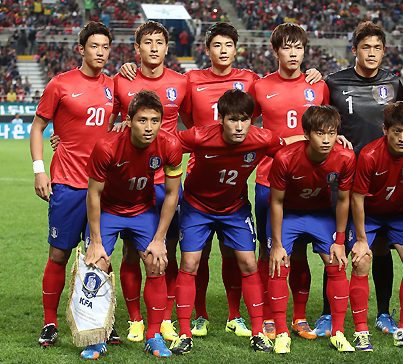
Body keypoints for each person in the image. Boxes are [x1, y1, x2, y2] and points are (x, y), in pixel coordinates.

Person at [120, 21, 321, 338]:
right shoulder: (191, 80)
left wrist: (313, 75)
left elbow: (272, 106)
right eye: (217, 45)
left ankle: (234, 315)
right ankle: (197, 315)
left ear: (236, 49)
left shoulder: (251, 81)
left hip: (236, 186)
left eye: (229, 45)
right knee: (192, 255)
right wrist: (130, 69)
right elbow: (180, 119)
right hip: (199, 177)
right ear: (207, 49)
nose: (223, 51)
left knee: (235, 254)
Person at [170, 89, 289, 354]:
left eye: (244, 119)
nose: (239, 126)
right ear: (220, 118)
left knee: (248, 262)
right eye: (232, 119)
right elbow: (165, 141)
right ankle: (185, 332)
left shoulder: (261, 138)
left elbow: (293, 147)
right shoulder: (200, 136)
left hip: (234, 208)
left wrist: (330, 139)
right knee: (190, 262)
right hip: (197, 206)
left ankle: (258, 333)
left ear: (252, 120)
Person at [314, 20, 403, 338]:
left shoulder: (394, 84)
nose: (371, 53)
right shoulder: (334, 82)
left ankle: (383, 313)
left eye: (377, 48)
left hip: (383, 178)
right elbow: (320, 121)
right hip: (344, 177)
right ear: (354, 50)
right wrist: (336, 134)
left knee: (379, 247)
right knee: (337, 245)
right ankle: (327, 314)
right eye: (365, 47)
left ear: (383, 52)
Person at [29, 21, 114, 348]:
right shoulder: (60, 84)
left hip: (104, 185)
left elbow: (124, 118)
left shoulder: (113, 86)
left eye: (105, 47)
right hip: (66, 183)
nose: (101, 52)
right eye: (95, 46)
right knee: (59, 254)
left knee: (102, 257)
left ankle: (102, 321)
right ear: (81, 49)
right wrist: (39, 170)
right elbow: (38, 128)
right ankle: (50, 322)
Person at [83, 90, 183, 359]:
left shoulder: (170, 145)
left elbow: (173, 193)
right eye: (142, 120)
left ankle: (153, 335)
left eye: (154, 120)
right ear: (128, 121)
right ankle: (96, 337)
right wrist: (95, 242)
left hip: (142, 210)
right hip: (109, 211)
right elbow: (93, 194)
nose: (149, 127)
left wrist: (160, 238)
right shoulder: (107, 146)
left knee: (156, 261)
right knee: (97, 264)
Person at [248, 22, 330, 341]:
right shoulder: (260, 86)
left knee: (298, 253)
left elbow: (329, 130)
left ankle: (298, 318)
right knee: (269, 251)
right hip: (270, 181)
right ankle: (269, 317)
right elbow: (246, 126)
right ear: (276, 51)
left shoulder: (318, 87)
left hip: (310, 184)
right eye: (287, 47)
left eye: (299, 47)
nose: (293, 53)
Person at [110, 20, 189, 344]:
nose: (154, 47)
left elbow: (196, 126)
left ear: (167, 48)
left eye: (159, 42)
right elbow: (111, 124)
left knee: (166, 250)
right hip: (131, 181)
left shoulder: (181, 83)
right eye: (148, 42)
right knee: (131, 251)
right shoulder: (121, 80)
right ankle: (135, 319)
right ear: (137, 48)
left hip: (167, 179)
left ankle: (165, 317)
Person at [267, 105, 356, 353]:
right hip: (289, 214)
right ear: (306, 134)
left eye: (331, 133)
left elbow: (343, 200)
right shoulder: (285, 158)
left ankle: (338, 333)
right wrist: (276, 244)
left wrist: (339, 240)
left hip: (319, 214)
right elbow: (276, 201)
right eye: (319, 133)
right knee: (279, 262)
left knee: (337, 262)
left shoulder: (346, 157)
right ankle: (281, 332)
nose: (326, 139)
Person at [350, 101, 403, 351]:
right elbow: (357, 198)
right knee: (362, 260)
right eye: (397, 131)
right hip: (370, 215)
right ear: (385, 129)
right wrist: (362, 240)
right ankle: (360, 331)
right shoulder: (369, 154)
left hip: (398, 215)